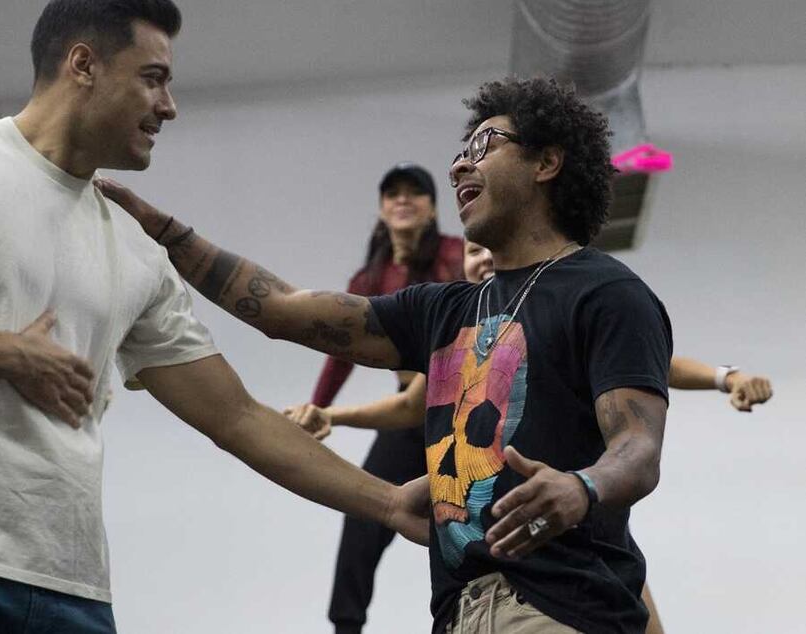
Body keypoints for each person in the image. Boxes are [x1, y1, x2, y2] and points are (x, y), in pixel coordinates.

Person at [0, 0, 427, 633]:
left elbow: (235, 414)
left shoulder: (134, 250)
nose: (169, 106)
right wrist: (8, 353)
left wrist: (388, 502)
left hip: (71, 586)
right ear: (83, 65)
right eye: (153, 79)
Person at [98, 75, 674, 633]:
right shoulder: (442, 311)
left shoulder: (607, 293)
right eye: (459, 151)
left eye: (482, 146)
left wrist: (583, 486)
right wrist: (166, 232)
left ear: (547, 163)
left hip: (564, 610)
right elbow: (279, 309)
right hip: (457, 613)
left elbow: (638, 448)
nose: (458, 165)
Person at [286, 240, 774, 634]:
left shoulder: (556, 314)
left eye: (487, 251)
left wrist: (725, 377)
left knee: (620, 587)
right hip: (494, 545)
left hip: (573, 518)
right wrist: (333, 415)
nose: (481, 260)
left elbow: (655, 365)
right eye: (471, 253)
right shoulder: (458, 337)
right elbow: (409, 405)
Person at [307, 163, 463, 634]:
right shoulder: (371, 278)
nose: (403, 200)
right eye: (393, 193)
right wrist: (317, 409)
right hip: (407, 412)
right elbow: (339, 351)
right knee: (363, 512)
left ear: (433, 207)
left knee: (459, 517)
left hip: (459, 404)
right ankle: (346, 626)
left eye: (415, 193)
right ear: (381, 208)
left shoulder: (456, 255)